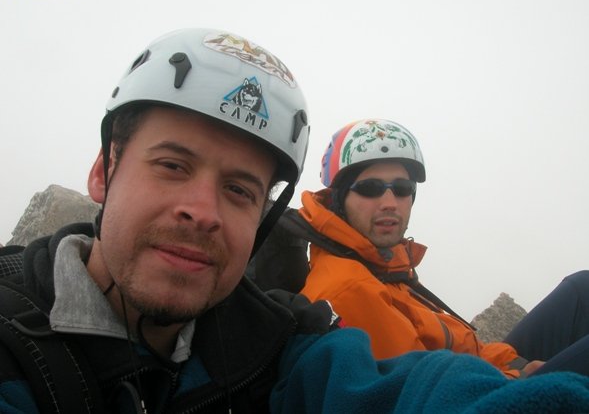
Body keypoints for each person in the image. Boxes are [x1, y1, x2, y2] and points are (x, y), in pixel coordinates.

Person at [2, 31, 589, 414]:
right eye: (172, 165)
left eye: (239, 190)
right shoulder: (15, 343)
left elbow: (401, 393)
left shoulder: (273, 344)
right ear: (103, 172)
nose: (203, 212)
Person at [289, 118, 589, 379]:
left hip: (483, 374)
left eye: (403, 189)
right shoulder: (350, 289)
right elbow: (420, 391)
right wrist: (518, 378)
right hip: (479, 397)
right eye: (370, 189)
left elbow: (465, 347)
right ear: (338, 199)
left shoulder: (382, 267)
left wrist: (516, 364)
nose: (390, 202)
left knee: (582, 289)